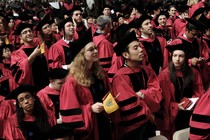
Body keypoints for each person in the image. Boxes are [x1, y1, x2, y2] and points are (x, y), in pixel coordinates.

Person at [60, 28, 112, 140]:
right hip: (90, 129)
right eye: (91, 49)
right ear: (81, 55)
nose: (96, 51)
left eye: (95, 48)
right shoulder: (72, 82)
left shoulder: (100, 73)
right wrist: (90, 109)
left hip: (104, 122)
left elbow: (108, 93)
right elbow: (70, 114)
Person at [111, 31, 162, 140]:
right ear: (125, 55)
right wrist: (148, 112)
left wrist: (143, 95)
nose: (141, 50)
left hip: (148, 125)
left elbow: (157, 93)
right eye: (135, 48)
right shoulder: (120, 77)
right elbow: (129, 106)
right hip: (132, 130)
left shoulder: (147, 71)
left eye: (139, 46)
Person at [156, 40, 205, 140]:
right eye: (175, 56)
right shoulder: (164, 75)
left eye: (181, 56)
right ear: (171, 57)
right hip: (173, 115)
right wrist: (176, 106)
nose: (177, 59)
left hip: (190, 111)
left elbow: (199, 92)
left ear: (186, 58)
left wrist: (193, 103)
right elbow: (163, 100)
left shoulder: (194, 72)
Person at [10, 23, 49, 90]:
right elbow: (19, 75)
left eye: (30, 31)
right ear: (20, 37)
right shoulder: (17, 53)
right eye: (25, 32)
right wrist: (33, 55)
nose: (28, 33)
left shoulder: (41, 47)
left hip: (47, 83)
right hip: (33, 87)